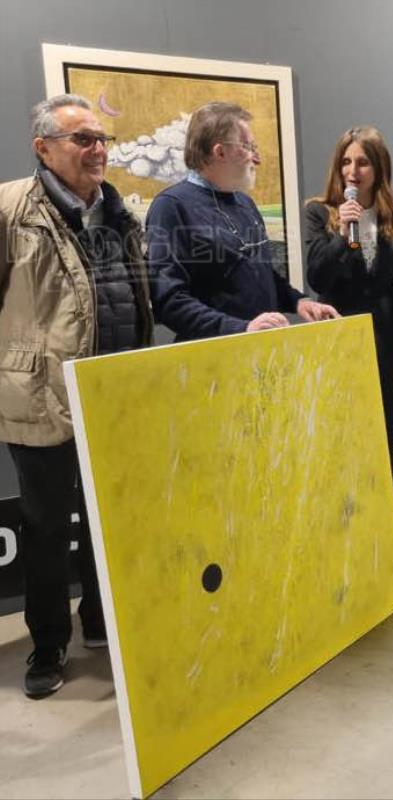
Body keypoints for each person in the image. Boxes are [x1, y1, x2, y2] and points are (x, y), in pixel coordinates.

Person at [0, 94, 154, 697]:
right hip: (41, 395)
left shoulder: (119, 213)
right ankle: (47, 646)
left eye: (101, 139)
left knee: (104, 519)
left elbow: (134, 295)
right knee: (44, 527)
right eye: (82, 139)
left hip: (114, 394)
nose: (97, 150)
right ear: (43, 148)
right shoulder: (11, 209)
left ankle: (98, 619)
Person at [304, 126, 393, 571]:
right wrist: (344, 232)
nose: (353, 170)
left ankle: (382, 541)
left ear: (379, 168)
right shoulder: (320, 212)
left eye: (362, 162)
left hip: (386, 346)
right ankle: (344, 543)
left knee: (382, 444)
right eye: (346, 162)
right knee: (343, 445)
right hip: (338, 343)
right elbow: (317, 278)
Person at [146, 102, 338, 340]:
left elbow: (262, 276)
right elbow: (169, 300)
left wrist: (299, 302)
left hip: (260, 349)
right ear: (220, 152)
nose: (257, 158)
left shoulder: (245, 203)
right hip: (213, 355)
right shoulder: (171, 206)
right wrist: (241, 328)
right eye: (248, 147)